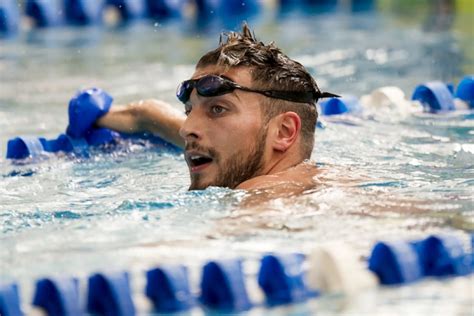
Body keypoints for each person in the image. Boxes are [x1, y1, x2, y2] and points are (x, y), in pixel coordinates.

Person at [83, 24, 337, 193]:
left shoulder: (266, 199)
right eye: (189, 110)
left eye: (218, 110)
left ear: (284, 132)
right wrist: (145, 115)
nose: (186, 130)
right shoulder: (318, 177)